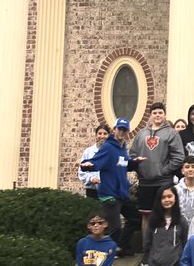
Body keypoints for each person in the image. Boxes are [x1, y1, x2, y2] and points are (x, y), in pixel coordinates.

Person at [79, 118, 143, 256]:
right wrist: (87, 165)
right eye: (119, 129)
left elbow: (124, 165)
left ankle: (119, 248)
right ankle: (108, 257)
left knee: (135, 219)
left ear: (127, 132)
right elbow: (96, 161)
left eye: (124, 130)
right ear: (114, 130)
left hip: (122, 193)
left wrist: (134, 163)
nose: (121, 132)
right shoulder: (108, 147)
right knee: (115, 227)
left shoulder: (122, 148)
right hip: (109, 194)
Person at [129, 103, 186, 238]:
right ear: (150, 116)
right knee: (146, 216)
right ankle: (146, 250)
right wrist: (140, 168)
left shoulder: (171, 133)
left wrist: (163, 171)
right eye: (155, 113)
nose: (157, 115)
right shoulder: (141, 134)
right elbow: (132, 155)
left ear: (165, 115)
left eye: (160, 112)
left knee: (166, 215)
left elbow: (179, 157)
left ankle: (166, 246)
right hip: (145, 183)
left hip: (164, 182)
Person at [78, 123, 110, 200]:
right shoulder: (88, 152)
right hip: (92, 191)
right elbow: (81, 172)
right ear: (96, 135)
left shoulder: (112, 152)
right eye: (99, 133)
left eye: (105, 134)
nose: (102, 136)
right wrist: (91, 178)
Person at [175, 156, 194, 229]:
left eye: (193, 167)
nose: (190, 169)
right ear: (182, 171)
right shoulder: (175, 190)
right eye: (187, 167)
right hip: (179, 229)